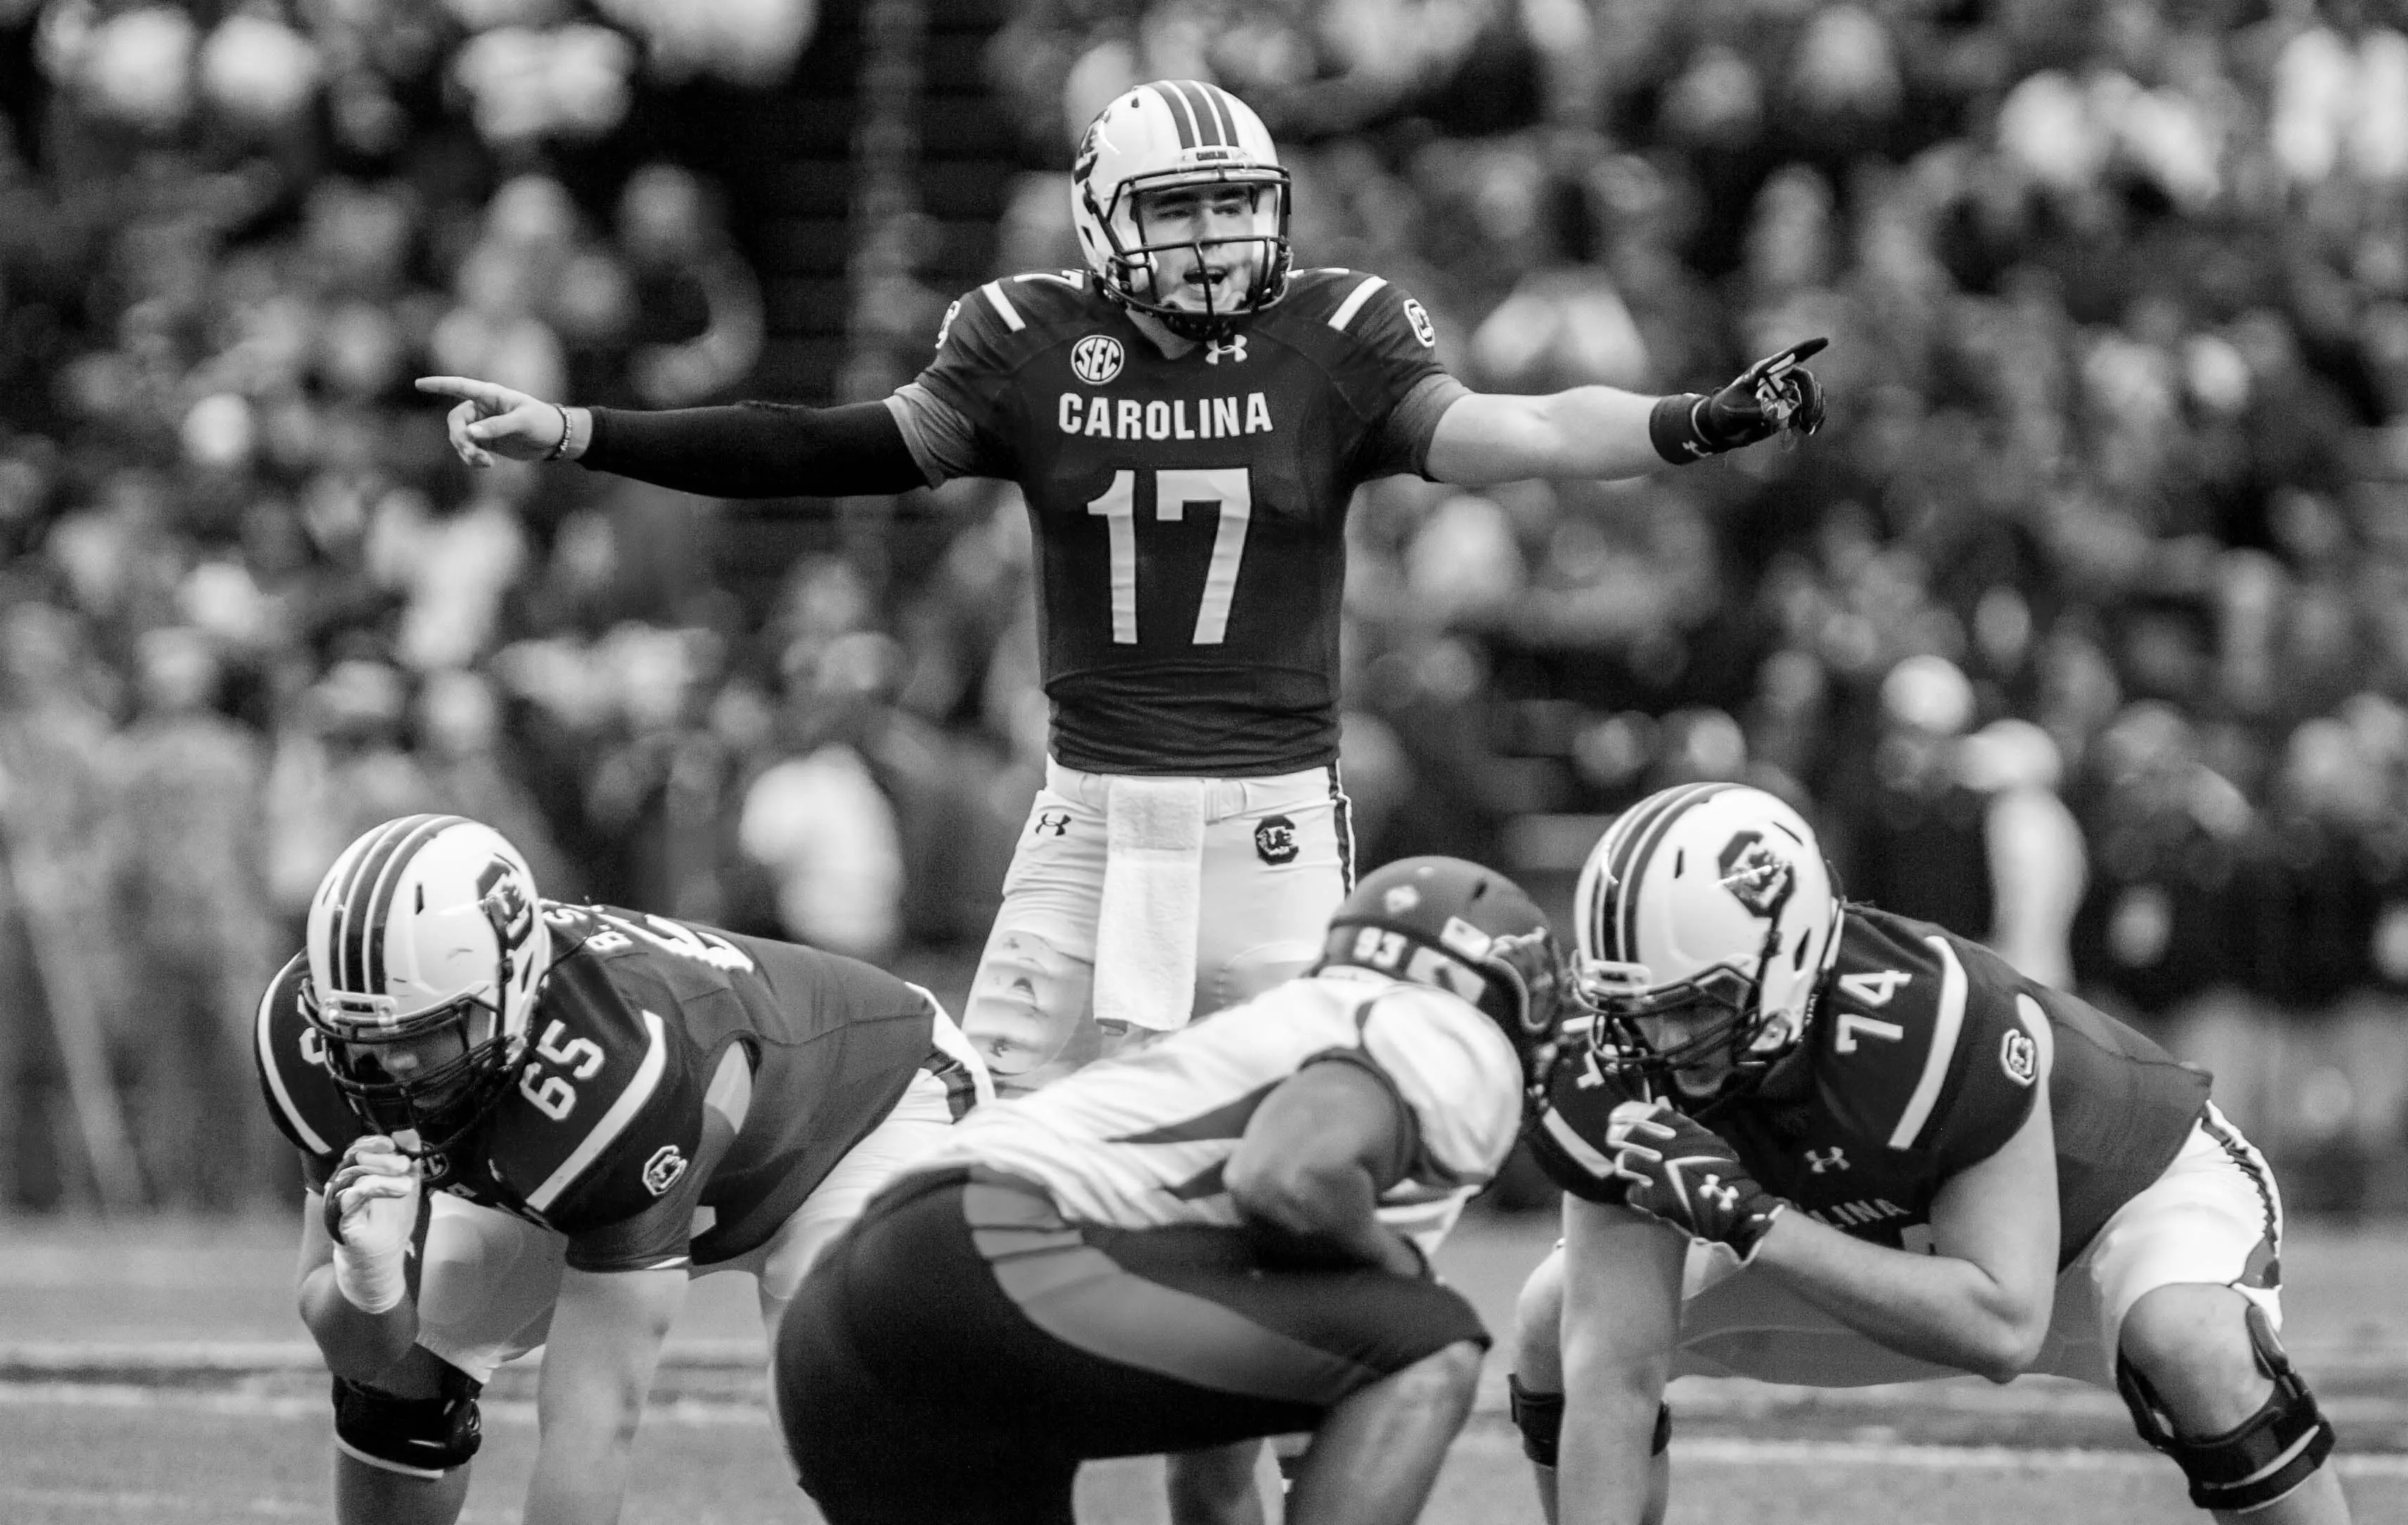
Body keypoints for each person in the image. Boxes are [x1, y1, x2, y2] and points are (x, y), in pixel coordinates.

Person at [414, 77, 1829, 1103]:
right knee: (985, 1125)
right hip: (1086, 820)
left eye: (1234, 205)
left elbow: (1521, 427)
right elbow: (814, 445)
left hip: (1270, 827)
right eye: (1180, 207)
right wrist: (583, 429)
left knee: (1293, 1128)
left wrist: (1686, 421)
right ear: (1100, 219)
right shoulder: (1025, 340)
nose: (1213, 236)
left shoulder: (1334, 333)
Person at [1509, 783, 2350, 1525]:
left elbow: (2003, 1325)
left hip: (2117, 1207)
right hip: (1887, 1246)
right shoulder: (1610, 1066)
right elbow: (1614, 1372)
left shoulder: (1926, 1021)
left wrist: (1757, 1223)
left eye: (1696, 1007)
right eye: (1636, 1009)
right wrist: (1757, 1221)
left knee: (2191, 1343)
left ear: (1790, 961)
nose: (1661, 1042)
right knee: (1557, 1319)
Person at [771, 856, 1573, 1525]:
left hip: (841, 1319)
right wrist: (1398, 1267)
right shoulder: (1429, 1027)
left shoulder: (1254, 1050)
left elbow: (1212, 1483)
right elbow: (1289, 1179)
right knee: (1429, 1339)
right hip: (986, 1252)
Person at [252, 813, 990, 1525]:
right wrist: (371, 1281)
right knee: (407, 1364)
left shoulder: (617, 1067)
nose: (394, 1066)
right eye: (364, 1038)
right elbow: (359, 1351)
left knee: (838, 1402)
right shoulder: (309, 1040)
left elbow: (594, 1419)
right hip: (649, 1144)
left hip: (865, 1113)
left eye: (429, 1032)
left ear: (514, 993)